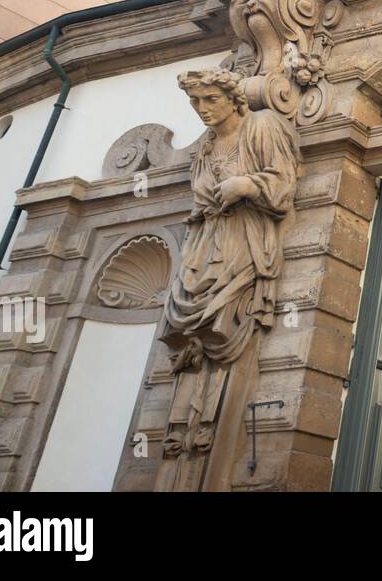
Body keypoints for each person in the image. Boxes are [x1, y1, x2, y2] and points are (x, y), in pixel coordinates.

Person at [158, 68, 300, 478]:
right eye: (195, 103)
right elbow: (199, 201)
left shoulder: (263, 125)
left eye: (211, 100)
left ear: (233, 98)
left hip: (244, 239)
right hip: (205, 245)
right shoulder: (205, 145)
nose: (202, 110)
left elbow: (283, 187)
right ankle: (184, 437)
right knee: (186, 326)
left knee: (224, 320)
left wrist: (248, 186)